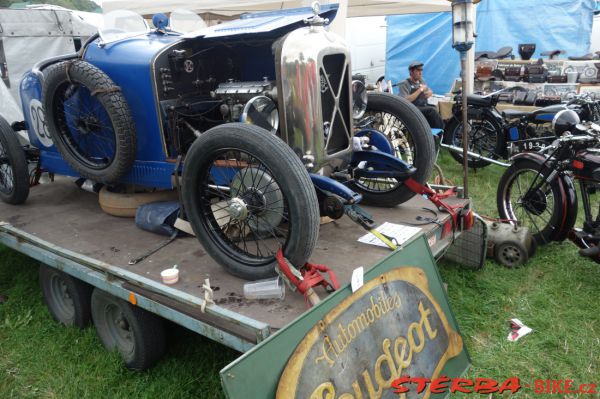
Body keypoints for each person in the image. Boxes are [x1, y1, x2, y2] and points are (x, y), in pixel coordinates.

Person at [398, 61, 444, 129]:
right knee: (432, 111)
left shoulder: (421, 81)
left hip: (422, 106)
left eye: (421, 70)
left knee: (435, 108)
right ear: (411, 72)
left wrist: (430, 92)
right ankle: (443, 132)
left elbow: (429, 90)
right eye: (418, 70)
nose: (420, 73)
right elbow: (406, 100)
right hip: (411, 109)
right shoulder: (405, 83)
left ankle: (435, 133)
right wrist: (420, 90)